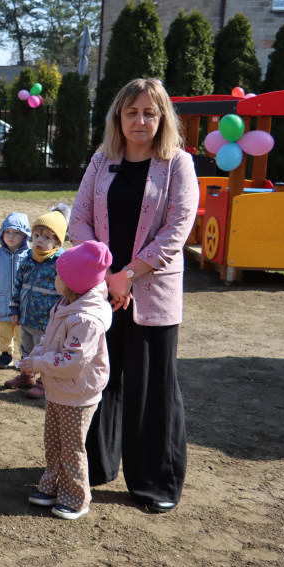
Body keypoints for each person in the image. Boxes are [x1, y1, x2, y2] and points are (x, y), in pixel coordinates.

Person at [69, 77, 199, 515]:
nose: (140, 120)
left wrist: (128, 274)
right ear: (118, 118)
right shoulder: (102, 161)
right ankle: (95, 465)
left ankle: (153, 481)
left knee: (151, 389)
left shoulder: (178, 164)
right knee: (98, 380)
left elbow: (177, 230)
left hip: (151, 294)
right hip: (102, 291)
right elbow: (79, 219)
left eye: (149, 112)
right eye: (131, 112)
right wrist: (105, 275)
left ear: (162, 118)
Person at [21, 241, 113, 520]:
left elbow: (72, 361)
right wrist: (34, 356)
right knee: (54, 442)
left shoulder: (85, 319)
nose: (55, 278)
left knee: (72, 448)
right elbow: (50, 342)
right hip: (58, 388)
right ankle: (51, 486)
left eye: (59, 275)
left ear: (73, 282)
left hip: (77, 393)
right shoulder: (64, 304)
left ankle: (77, 499)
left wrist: (38, 362)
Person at [6, 204, 70, 399]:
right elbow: (17, 285)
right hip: (26, 316)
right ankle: (26, 376)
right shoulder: (27, 259)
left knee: (45, 351)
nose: (40, 241)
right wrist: (15, 308)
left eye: (47, 237)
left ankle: (45, 382)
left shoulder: (61, 262)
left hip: (47, 320)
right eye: (36, 236)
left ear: (57, 241)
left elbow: (66, 292)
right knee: (26, 348)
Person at [0, 212, 31, 369]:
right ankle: (6, 354)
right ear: (2, 233)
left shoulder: (30, 256)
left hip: (22, 306)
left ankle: (25, 356)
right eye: (8, 232)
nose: (11, 236)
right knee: (4, 333)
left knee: (22, 334)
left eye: (16, 232)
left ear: (25, 235)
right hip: (1, 302)